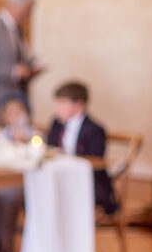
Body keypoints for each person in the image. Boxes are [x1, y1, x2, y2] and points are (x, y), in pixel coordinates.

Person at [47, 81, 119, 214]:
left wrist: (66, 157)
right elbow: (49, 147)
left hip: (86, 180)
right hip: (59, 176)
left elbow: (95, 162)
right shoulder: (56, 123)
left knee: (60, 192)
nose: (57, 107)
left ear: (79, 105)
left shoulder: (95, 130)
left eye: (62, 102)